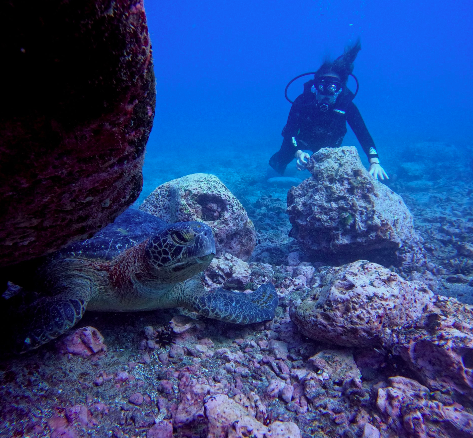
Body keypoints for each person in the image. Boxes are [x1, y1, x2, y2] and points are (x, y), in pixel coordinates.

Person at [269, 40, 388, 180]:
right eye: (322, 87)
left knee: (331, 175)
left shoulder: (346, 105)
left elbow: (362, 133)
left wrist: (374, 161)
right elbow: (289, 131)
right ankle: (274, 172)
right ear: (315, 87)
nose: (326, 94)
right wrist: (298, 152)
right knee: (279, 161)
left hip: (330, 145)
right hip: (302, 140)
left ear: (339, 90)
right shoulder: (302, 101)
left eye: (332, 89)